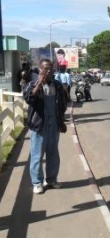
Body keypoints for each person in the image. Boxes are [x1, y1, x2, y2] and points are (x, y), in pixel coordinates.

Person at [23, 59, 67, 194]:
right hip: (39, 126)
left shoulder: (58, 85)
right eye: (45, 69)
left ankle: (51, 180)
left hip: (53, 126)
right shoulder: (32, 84)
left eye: (50, 69)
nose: (48, 71)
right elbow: (29, 98)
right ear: (40, 70)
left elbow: (62, 105)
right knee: (37, 156)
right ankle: (37, 183)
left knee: (53, 154)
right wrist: (39, 84)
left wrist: (62, 121)